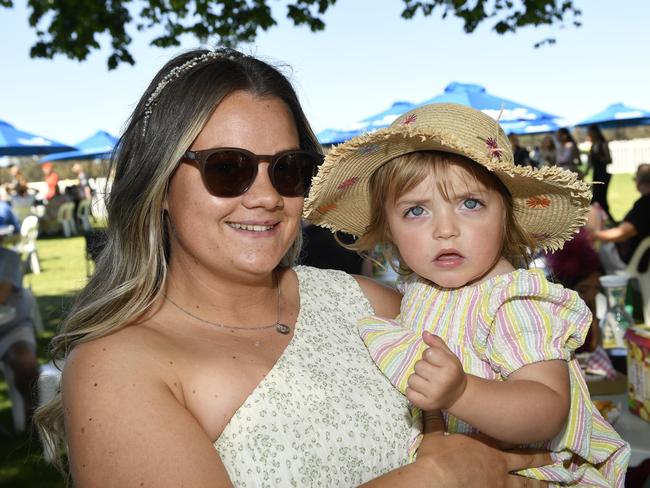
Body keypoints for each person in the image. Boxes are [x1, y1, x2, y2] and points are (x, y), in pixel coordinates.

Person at [34, 49, 551, 487]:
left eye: (288, 169)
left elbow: (520, 385)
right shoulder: (116, 366)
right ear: (161, 184)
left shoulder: (373, 304)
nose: (264, 197)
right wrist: (434, 478)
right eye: (227, 168)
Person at [304, 103, 630, 486]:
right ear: (388, 229)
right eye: (415, 211)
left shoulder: (512, 300)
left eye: (470, 203)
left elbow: (546, 407)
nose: (445, 229)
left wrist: (462, 391)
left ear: (507, 215)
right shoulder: (423, 292)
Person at [0, 247, 40, 431]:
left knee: (25, 361)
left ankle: (33, 411)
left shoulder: (8, 258)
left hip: (12, 328)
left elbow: (3, 293)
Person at [592, 163, 650, 272]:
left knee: (600, 249)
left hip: (635, 260)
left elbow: (622, 233)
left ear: (639, 182)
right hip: (640, 254)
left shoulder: (644, 206)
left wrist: (594, 235)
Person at [586, 124, 614, 223]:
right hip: (596, 175)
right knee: (597, 198)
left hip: (603, 174)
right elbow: (590, 164)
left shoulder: (603, 144)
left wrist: (599, 157)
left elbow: (609, 160)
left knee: (600, 198)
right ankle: (606, 220)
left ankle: (606, 220)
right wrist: (584, 173)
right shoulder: (592, 146)